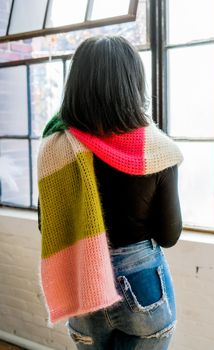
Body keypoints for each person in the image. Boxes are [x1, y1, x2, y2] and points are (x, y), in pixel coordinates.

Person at [37, 35, 183, 350]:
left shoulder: (56, 147)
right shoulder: (156, 149)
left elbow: (46, 225)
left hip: (81, 282)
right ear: (133, 83)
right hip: (143, 284)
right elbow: (170, 236)